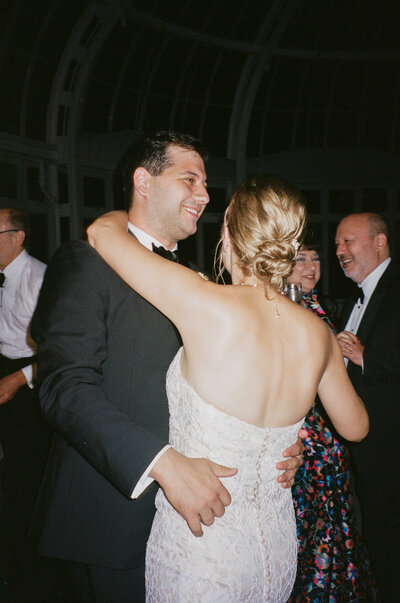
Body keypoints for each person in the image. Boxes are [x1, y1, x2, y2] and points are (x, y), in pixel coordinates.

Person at [31, 132, 302, 603]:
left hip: (197, 538)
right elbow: (64, 387)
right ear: (143, 181)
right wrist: (163, 463)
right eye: (189, 179)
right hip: (113, 520)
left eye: (206, 184)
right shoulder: (86, 262)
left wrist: (272, 449)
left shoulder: (200, 282)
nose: (204, 195)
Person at [88, 174, 369, 602]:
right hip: (275, 553)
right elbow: (355, 427)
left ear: (228, 233)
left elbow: (101, 232)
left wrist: (128, 209)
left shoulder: (203, 302)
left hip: (203, 547)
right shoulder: (319, 334)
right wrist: (287, 440)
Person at [287, 235, 379, 601]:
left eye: (315, 259)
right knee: (314, 529)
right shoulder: (291, 309)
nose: (310, 267)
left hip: (329, 437)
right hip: (308, 440)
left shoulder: (314, 306)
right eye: (300, 259)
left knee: (331, 526)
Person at [335, 212, 400, 603]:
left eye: (349, 242)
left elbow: (368, 361)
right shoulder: (351, 300)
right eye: (338, 244)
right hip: (364, 448)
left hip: (391, 444)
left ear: (379, 242)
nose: (340, 251)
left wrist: (367, 358)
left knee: (387, 537)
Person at [0, 208, 50, 593]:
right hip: (3, 364)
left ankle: (27, 563)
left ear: (18, 237)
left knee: (25, 471)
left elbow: (58, 352)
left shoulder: (41, 278)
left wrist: (18, 379)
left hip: (29, 377)